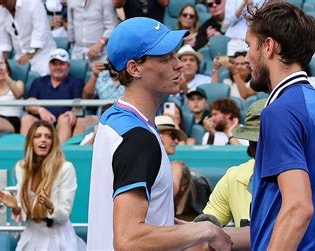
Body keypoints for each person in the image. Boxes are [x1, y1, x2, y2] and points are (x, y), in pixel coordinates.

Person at [87, 17, 232, 250]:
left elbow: (144, 222)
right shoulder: (138, 137)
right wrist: (204, 230)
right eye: (165, 58)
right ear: (134, 68)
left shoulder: (114, 119)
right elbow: (128, 239)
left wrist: (181, 231)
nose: (178, 64)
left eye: (175, 55)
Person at [245, 2, 315, 250]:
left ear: (269, 46)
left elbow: (298, 208)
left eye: (249, 46)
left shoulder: (279, 112)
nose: (247, 57)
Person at [0, 121, 85, 250]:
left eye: (48, 137)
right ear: (30, 141)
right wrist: (16, 207)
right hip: (32, 234)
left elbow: (65, 214)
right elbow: (27, 210)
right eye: (38, 136)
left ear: (53, 142)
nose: (43, 140)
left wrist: (50, 207)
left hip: (57, 237)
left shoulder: (65, 168)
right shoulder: (22, 167)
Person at [203, 98, 265, 228]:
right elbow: (208, 223)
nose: (261, 148)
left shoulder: (307, 178)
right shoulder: (234, 176)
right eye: (255, 142)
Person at [20, 49, 93, 144]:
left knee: (64, 118)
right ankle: (25, 155)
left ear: (68, 66)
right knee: (26, 119)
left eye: (62, 64)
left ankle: (60, 155)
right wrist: (40, 110)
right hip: (41, 122)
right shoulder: (38, 82)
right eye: (54, 64)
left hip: (64, 123)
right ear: (49, 65)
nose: (58, 67)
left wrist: (72, 112)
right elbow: (29, 103)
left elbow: (79, 105)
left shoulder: (76, 82)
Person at [0, 0, 57, 76]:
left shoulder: (33, 3)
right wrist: (3, 61)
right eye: (0, 4)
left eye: (5, 2)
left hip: (43, 55)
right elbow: (3, 39)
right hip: (20, 58)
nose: (3, 6)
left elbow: (40, 30)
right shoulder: (0, 12)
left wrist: (30, 54)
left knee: (44, 79)